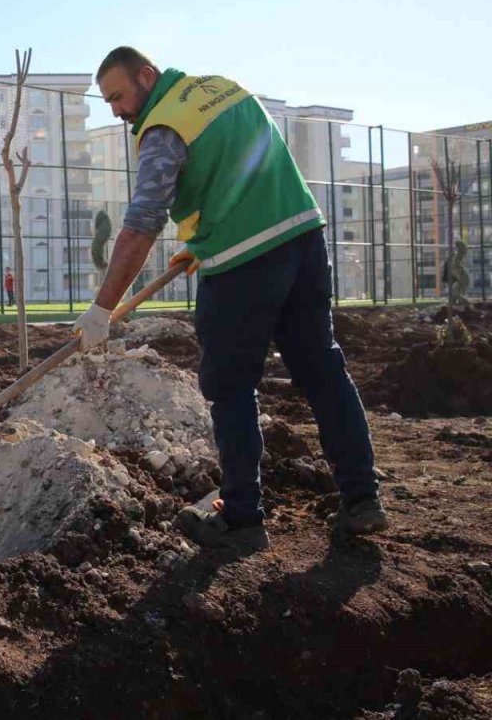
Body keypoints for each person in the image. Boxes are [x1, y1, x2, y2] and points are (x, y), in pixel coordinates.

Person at [76, 46, 386, 553]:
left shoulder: (162, 129)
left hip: (243, 261)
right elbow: (241, 170)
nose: (115, 109)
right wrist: (200, 239)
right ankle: (363, 499)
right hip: (303, 237)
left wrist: (102, 307)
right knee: (323, 370)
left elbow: (142, 222)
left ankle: (242, 517)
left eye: (118, 96)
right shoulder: (223, 90)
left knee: (230, 387)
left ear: (147, 77)